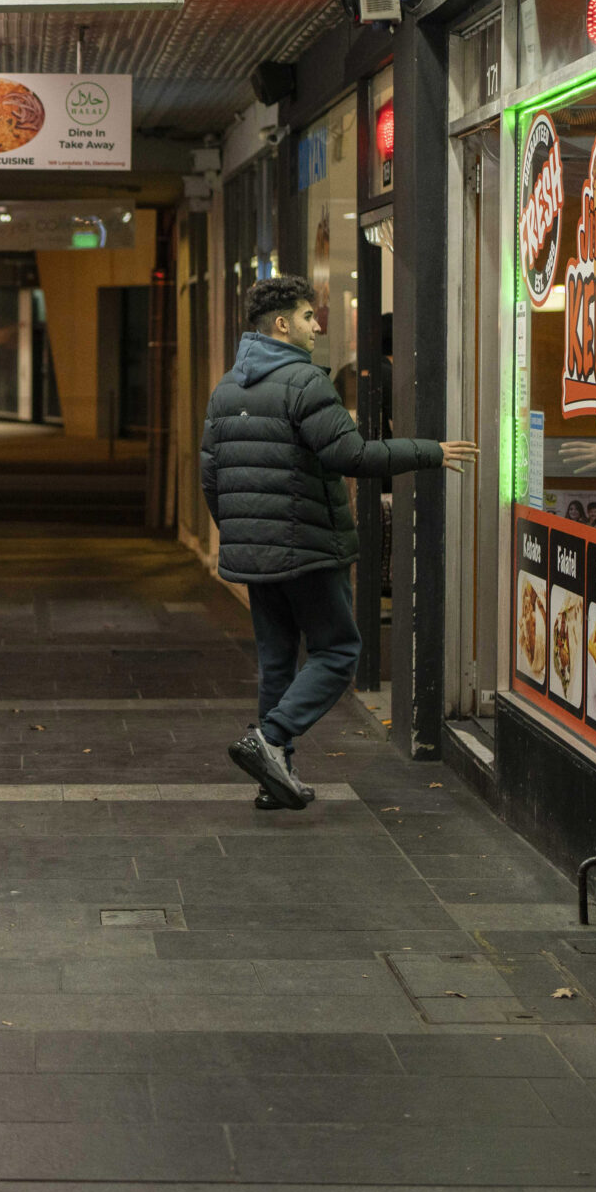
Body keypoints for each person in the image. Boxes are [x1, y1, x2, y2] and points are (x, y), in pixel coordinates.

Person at [200, 276, 476, 811]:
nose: (317, 325)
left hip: (257, 554)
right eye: (307, 316)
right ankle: (272, 738)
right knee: (338, 651)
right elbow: (351, 455)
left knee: (278, 661)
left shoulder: (226, 388)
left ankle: (272, 780)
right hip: (308, 547)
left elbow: (210, 475)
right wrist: (430, 451)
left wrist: (242, 533)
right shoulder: (305, 383)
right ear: (281, 325)